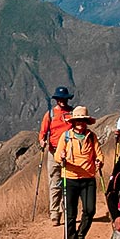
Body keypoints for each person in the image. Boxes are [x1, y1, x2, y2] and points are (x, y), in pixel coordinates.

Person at [54, 106, 104, 239]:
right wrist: (61, 157)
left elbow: (99, 154)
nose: (81, 124)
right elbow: (57, 156)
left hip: (88, 178)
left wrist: (100, 161)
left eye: (83, 121)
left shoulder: (91, 136)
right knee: (71, 213)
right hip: (70, 178)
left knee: (90, 210)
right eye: (78, 121)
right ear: (73, 122)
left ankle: (81, 236)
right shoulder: (66, 136)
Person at [38, 86, 74, 225]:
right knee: (55, 183)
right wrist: (42, 141)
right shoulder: (50, 114)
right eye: (60, 99)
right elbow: (43, 132)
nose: (62, 101)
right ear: (57, 100)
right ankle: (55, 214)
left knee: (69, 183)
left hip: (70, 153)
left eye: (64, 99)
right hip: (54, 152)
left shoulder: (72, 113)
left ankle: (67, 212)